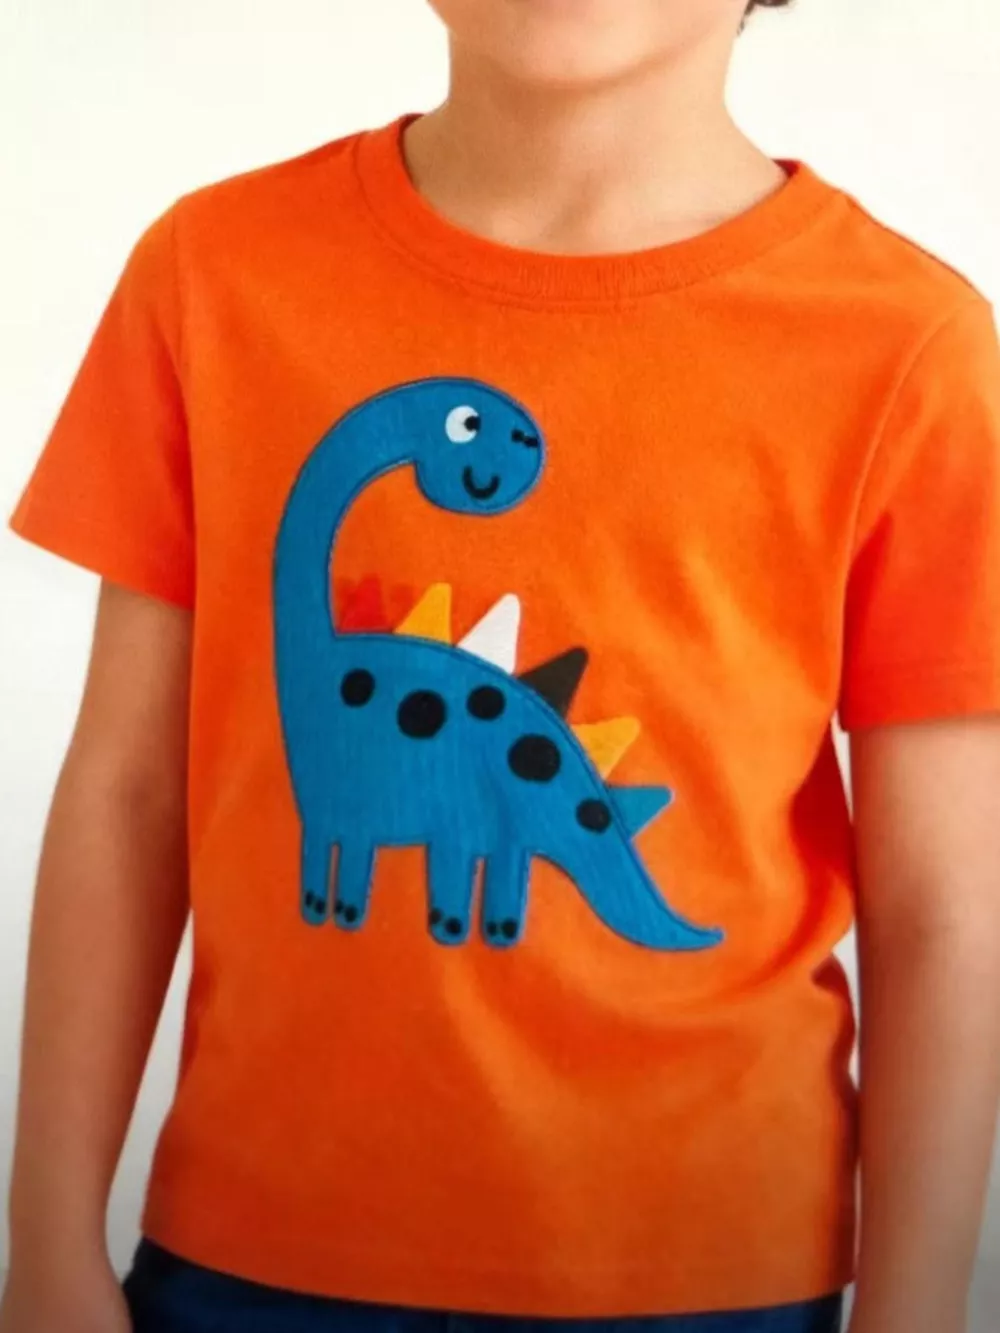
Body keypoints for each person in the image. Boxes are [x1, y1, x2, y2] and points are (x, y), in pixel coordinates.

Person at [4, 0, 1000, 1330]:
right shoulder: (213, 270)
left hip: (712, 1269)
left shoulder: (910, 345)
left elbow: (943, 905)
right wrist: (46, 1243)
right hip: (255, 1254)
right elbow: (129, 795)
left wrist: (917, 1310)